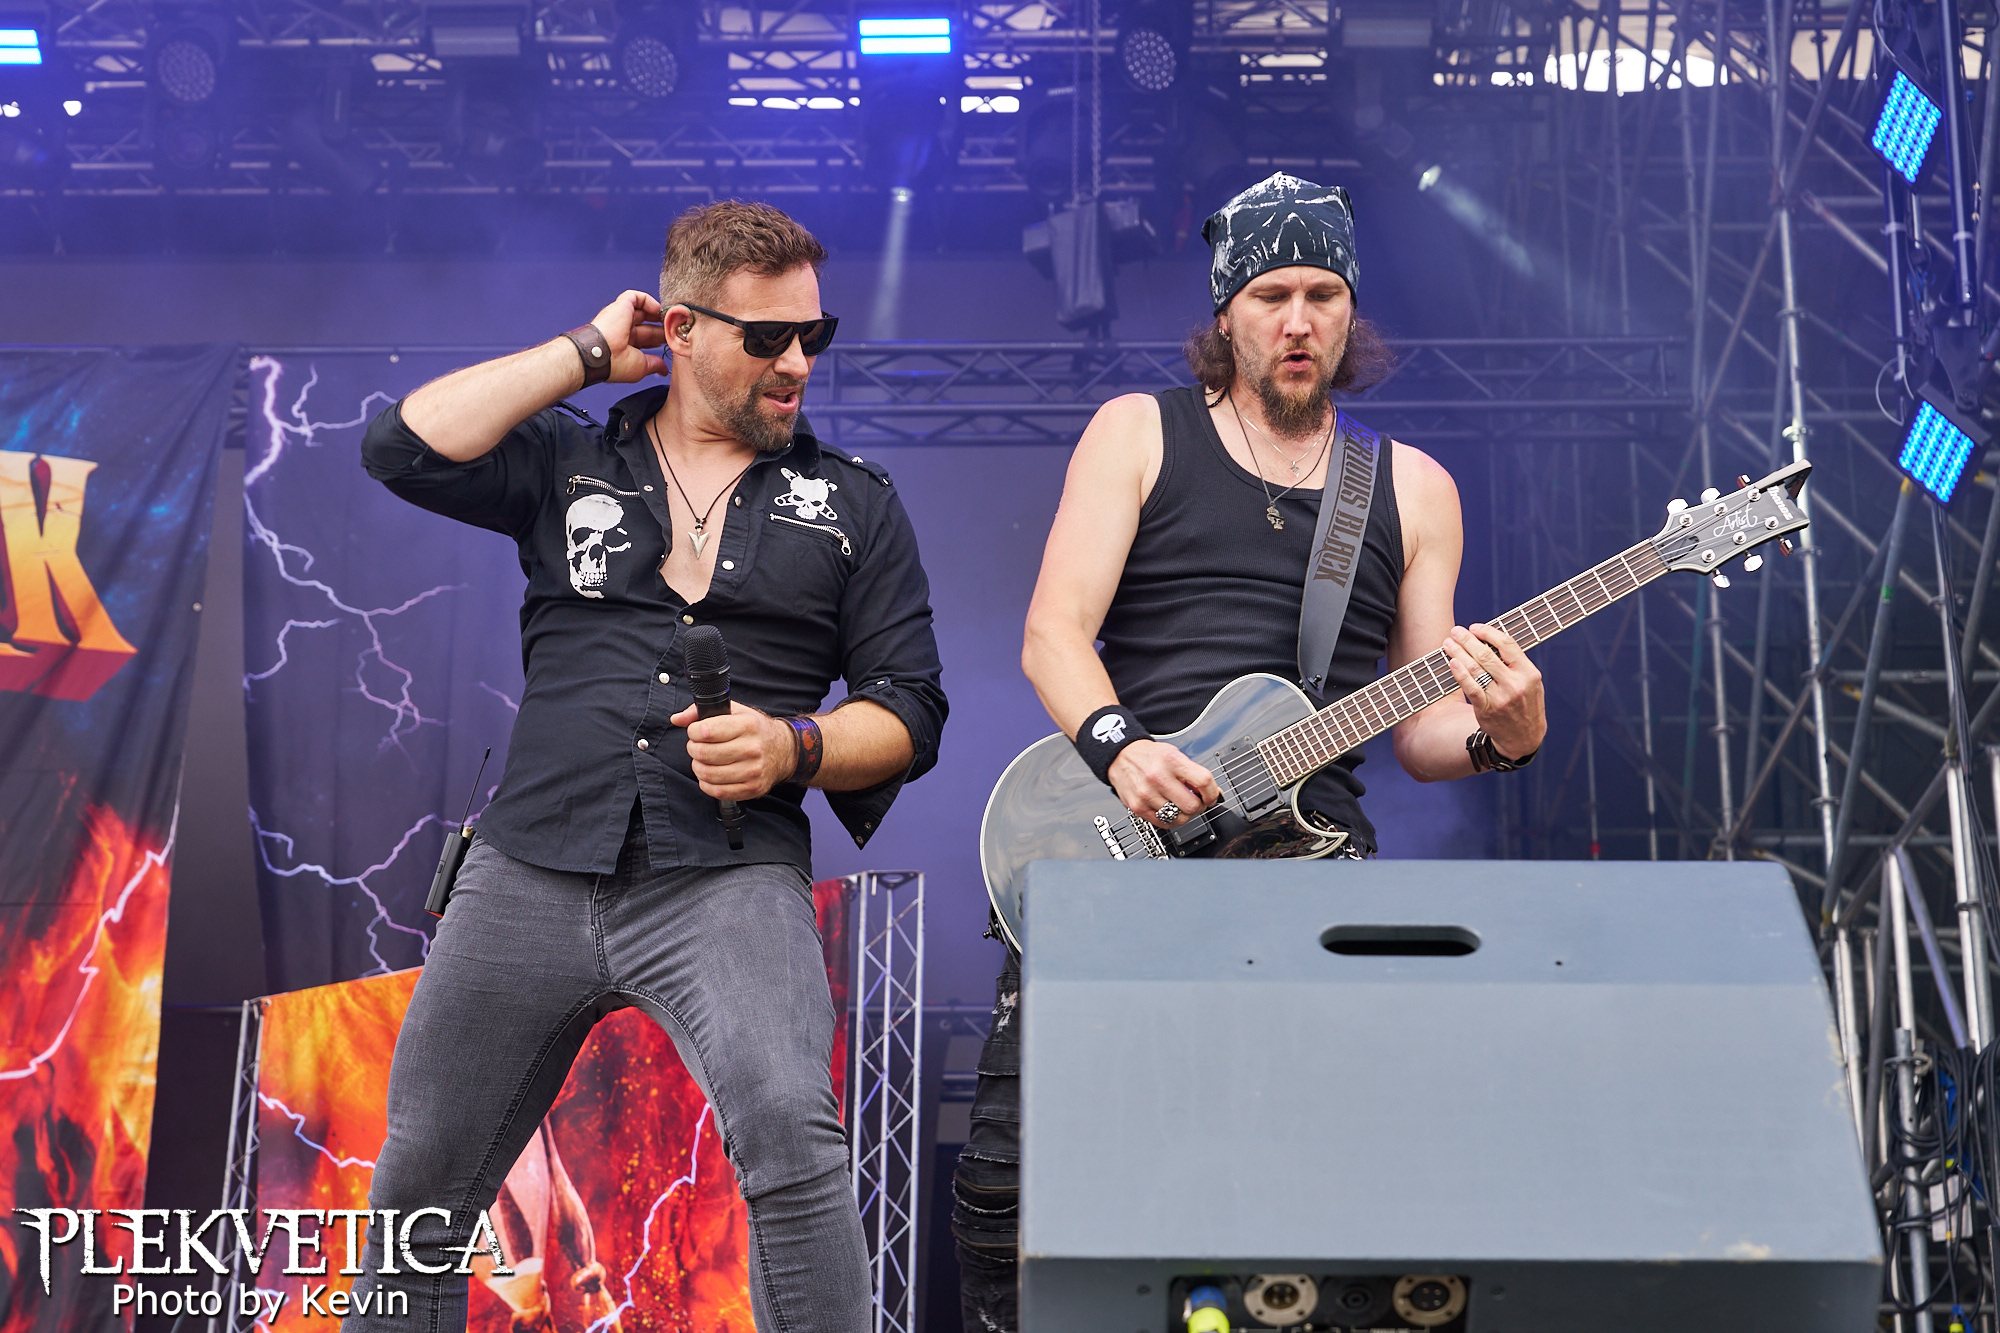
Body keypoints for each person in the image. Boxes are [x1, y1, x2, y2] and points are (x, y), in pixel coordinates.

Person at [951, 173, 1549, 1330]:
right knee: (1014, 1183)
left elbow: (1423, 727)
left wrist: (1501, 735)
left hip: (1309, 872)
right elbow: (1052, 633)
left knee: (1302, 1198)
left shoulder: (1412, 488)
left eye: (1323, 294)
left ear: (1350, 310)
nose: (1298, 320)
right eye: (1272, 295)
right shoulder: (1139, 430)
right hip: (1122, 848)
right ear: (1225, 311)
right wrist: (1122, 750)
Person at [349, 199, 947, 1333]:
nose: (796, 364)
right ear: (679, 328)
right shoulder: (568, 457)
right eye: (765, 338)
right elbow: (401, 446)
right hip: (530, 863)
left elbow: (910, 712)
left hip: (727, 876)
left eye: (812, 337)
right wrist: (582, 352)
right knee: (420, 1177)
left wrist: (792, 745)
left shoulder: (854, 502)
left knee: (790, 1129)